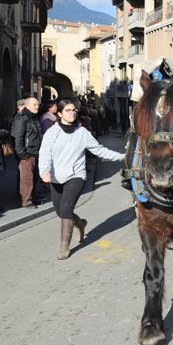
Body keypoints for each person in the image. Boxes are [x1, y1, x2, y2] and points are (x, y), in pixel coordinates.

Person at [38, 99, 124, 259]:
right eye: (68, 110)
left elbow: (99, 150)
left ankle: (64, 247)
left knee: (66, 210)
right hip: (56, 177)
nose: (72, 113)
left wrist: (122, 156)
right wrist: (44, 171)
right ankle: (80, 223)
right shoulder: (51, 132)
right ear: (60, 114)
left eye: (73, 110)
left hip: (76, 175)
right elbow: (44, 153)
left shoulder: (82, 132)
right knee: (61, 212)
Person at [12, 97, 43, 209]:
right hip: (27, 153)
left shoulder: (34, 117)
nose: (37, 107)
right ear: (27, 106)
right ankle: (26, 201)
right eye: (35, 104)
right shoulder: (22, 118)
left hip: (36, 152)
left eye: (38, 104)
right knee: (27, 179)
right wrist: (23, 154)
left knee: (34, 177)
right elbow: (18, 138)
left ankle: (32, 197)